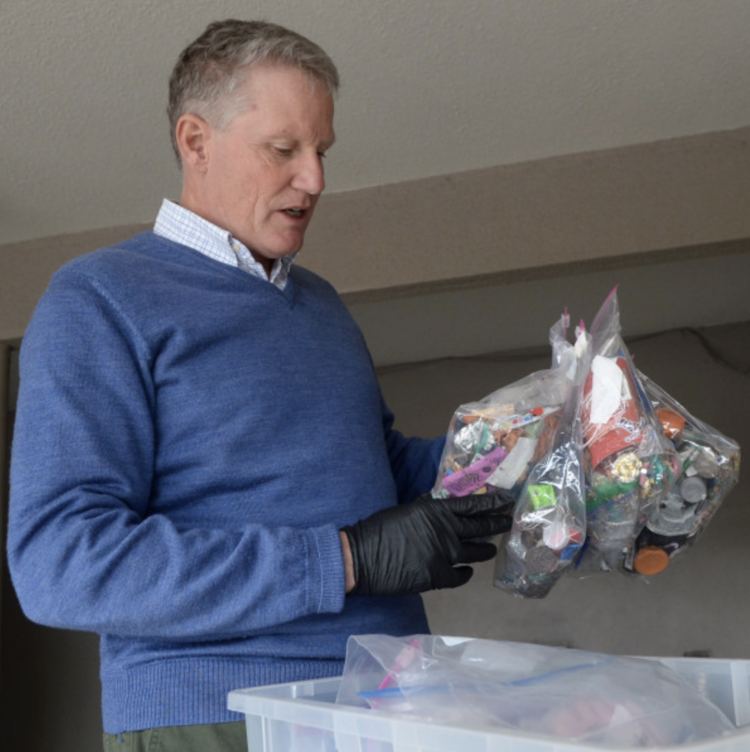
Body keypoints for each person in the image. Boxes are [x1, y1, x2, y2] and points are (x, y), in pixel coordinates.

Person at [7, 19, 513, 752]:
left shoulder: (322, 306)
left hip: (395, 698)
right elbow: (62, 563)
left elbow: (382, 472)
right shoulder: (99, 299)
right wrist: (344, 560)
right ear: (195, 141)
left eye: (322, 152)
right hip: (222, 712)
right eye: (285, 150)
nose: (315, 179)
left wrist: (531, 450)